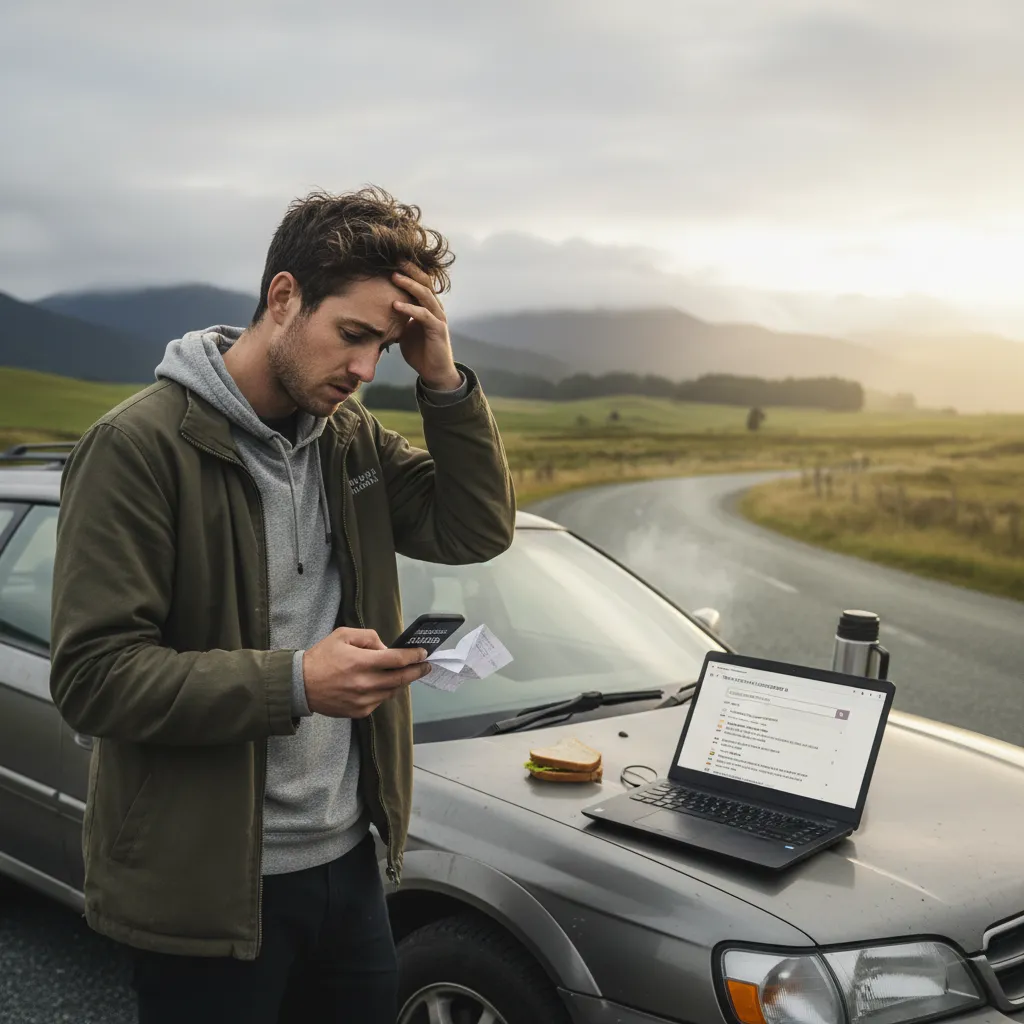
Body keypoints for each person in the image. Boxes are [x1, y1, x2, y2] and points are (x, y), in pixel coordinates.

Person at [49, 186, 516, 1023]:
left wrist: (441, 376)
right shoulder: (136, 448)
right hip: (208, 893)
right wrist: (297, 681)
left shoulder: (350, 440)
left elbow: (475, 526)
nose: (367, 370)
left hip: (348, 866)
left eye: (386, 345)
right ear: (284, 297)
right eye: (353, 336)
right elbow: (94, 679)